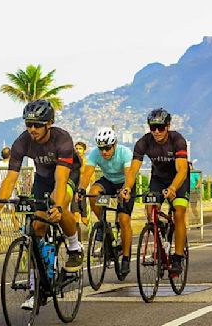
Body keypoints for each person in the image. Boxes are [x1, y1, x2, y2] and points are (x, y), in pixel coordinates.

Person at [0, 99, 83, 310]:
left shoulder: (62, 139)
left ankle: (73, 245)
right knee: (36, 227)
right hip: (42, 178)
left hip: (67, 174)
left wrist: (58, 206)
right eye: (28, 124)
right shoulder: (21, 142)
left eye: (37, 125)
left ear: (49, 123)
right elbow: (10, 179)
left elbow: (61, 181)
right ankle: (37, 286)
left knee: (60, 205)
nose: (32, 129)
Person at [123, 108, 189, 275]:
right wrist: (126, 188)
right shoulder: (143, 142)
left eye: (160, 127)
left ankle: (178, 257)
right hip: (158, 179)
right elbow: (133, 170)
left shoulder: (177, 140)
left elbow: (182, 169)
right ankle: (159, 238)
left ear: (168, 126)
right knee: (150, 209)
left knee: (179, 212)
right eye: (153, 128)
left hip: (178, 179)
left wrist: (173, 188)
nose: (157, 131)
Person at [76, 127, 133, 277]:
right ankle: (103, 225)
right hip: (108, 182)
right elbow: (87, 174)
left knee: (123, 219)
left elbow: (129, 175)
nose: (104, 152)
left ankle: (126, 258)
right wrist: (81, 189)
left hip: (124, 183)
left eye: (107, 148)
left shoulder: (125, 153)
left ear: (114, 145)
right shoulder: (95, 153)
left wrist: (126, 190)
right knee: (93, 193)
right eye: (101, 148)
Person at [71, 141, 90, 229]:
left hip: (84, 189)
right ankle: (77, 240)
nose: (78, 151)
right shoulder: (73, 162)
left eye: (80, 149)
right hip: (74, 188)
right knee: (75, 215)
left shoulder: (88, 163)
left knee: (85, 218)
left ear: (84, 150)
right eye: (76, 149)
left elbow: (91, 177)